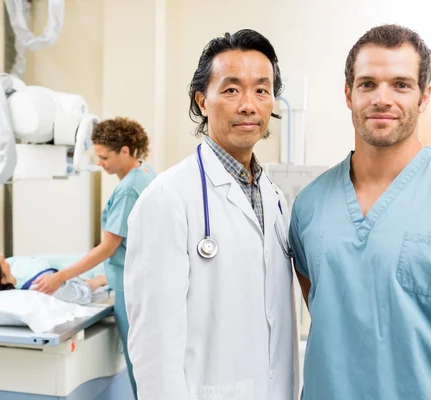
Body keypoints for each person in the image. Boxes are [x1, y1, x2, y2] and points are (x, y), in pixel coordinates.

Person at [288, 24, 431, 400]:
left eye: (401, 84)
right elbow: (325, 308)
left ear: (424, 96)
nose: (382, 98)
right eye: (367, 84)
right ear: (348, 94)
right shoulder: (310, 206)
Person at [124, 29, 299, 400]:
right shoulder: (168, 198)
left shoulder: (274, 197)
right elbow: (154, 346)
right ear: (202, 101)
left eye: (262, 90)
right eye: (232, 89)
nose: (248, 105)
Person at [31, 116, 156, 399]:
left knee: (140, 364)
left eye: (104, 157)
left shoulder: (127, 190)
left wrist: (60, 276)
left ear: (125, 150)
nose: (100, 163)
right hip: (134, 278)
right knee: (147, 361)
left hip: (132, 287)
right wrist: (103, 277)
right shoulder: (145, 172)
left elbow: (108, 248)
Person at [0, 250, 108, 305]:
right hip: (88, 274)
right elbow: (83, 292)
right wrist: (101, 280)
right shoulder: (41, 287)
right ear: (2, 279)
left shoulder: (12, 272)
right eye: (2, 260)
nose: (2, 255)